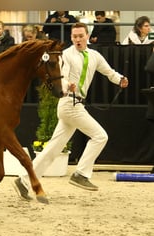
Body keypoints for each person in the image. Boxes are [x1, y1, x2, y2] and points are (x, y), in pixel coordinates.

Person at [13, 22, 129, 200]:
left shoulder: (94, 55)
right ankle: (81, 174)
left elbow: (109, 72)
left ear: (87, 36)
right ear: (71, 38)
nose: (77, 40)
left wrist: (120, 79)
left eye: (81, 36)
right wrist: (68, 86)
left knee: (53, 149)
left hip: (76, 105)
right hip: (69, 104)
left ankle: (24, 180)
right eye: (74, 37)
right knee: (100, 136)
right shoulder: (66, 55)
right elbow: (62, 77)